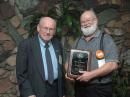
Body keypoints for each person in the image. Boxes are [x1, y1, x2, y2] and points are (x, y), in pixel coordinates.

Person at [65, 9, 119, 97]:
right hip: (79, 88)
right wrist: (68, 73)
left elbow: (113, 64)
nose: (85, 23)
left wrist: (91, 75)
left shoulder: (106, 39)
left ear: (96, 21)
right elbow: (68, 62)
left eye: (88, 20)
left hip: (100, 89)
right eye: (83, 21)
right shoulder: (77, 41)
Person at [16, 17, 65, 97]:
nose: (48, 32)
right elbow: (21, 74)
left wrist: (63, 92)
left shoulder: (57, 44)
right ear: (38, 28)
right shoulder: (26, 45)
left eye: (51, 29)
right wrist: (29, 94)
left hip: (56, 91)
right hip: (35, 92)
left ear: (55, 31)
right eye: (45, 28)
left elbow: (60, 69)